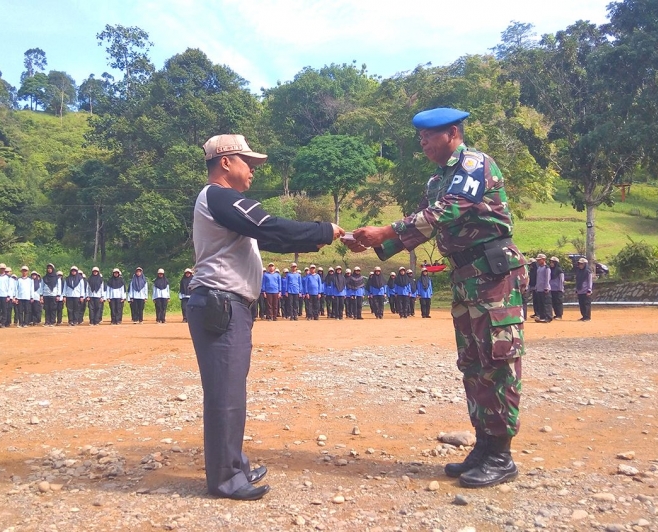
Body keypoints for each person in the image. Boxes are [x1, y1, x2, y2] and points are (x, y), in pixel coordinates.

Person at [348, 107, 527, 488]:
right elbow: (427, 226)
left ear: (453, 133)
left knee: (498, 360)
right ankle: (484, 445)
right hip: (465, 278)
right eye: (420, 138)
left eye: (429, 135)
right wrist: (375, 242)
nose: (423, 143)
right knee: (473, 362)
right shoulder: (437, 180)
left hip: (492, 274)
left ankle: (501, 454)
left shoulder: (475, 164)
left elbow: (453, 209)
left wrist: (386, 229)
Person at [187, 133, 342, 501]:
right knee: (225, 394)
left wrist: (324, 238)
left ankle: (235, 466)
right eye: (248, 163)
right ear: (226, 162)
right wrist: (324, 229)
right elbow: (269, 225)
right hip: (220, 303)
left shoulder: (226, 206)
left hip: (228, 305)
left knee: (231, 390)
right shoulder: (220, 197)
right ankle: (226, 479)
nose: (253, 171)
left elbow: (273, 239)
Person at [534, 254, 552, 323]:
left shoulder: (546, 268)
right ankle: (542, 316)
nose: (538, 261)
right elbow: (538, 278)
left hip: (545, 289)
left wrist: (546, 287)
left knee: (546, 303)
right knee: (540, 303)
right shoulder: (539, 268)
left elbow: (547, 278)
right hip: (539, 289)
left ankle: (548, 317)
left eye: (539, 260)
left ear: (543, 259)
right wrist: (536, 286)